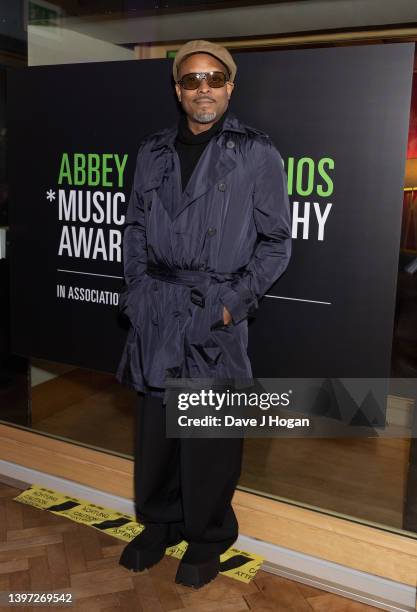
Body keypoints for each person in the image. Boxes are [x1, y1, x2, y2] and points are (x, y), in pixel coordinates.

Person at [116, 39, 292, 588]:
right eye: (191, 80)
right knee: (157, 432)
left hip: (213, 310)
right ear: (177, 89)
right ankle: (160, 523)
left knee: (209, 433)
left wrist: (229, 305)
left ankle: (208, 535)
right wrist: (137, 293)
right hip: (158, 308)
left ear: (230, 85)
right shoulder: (151, 151)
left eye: (214, 78)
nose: (203, 89)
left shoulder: (256, 153)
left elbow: (277, 243)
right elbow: (136, 229)